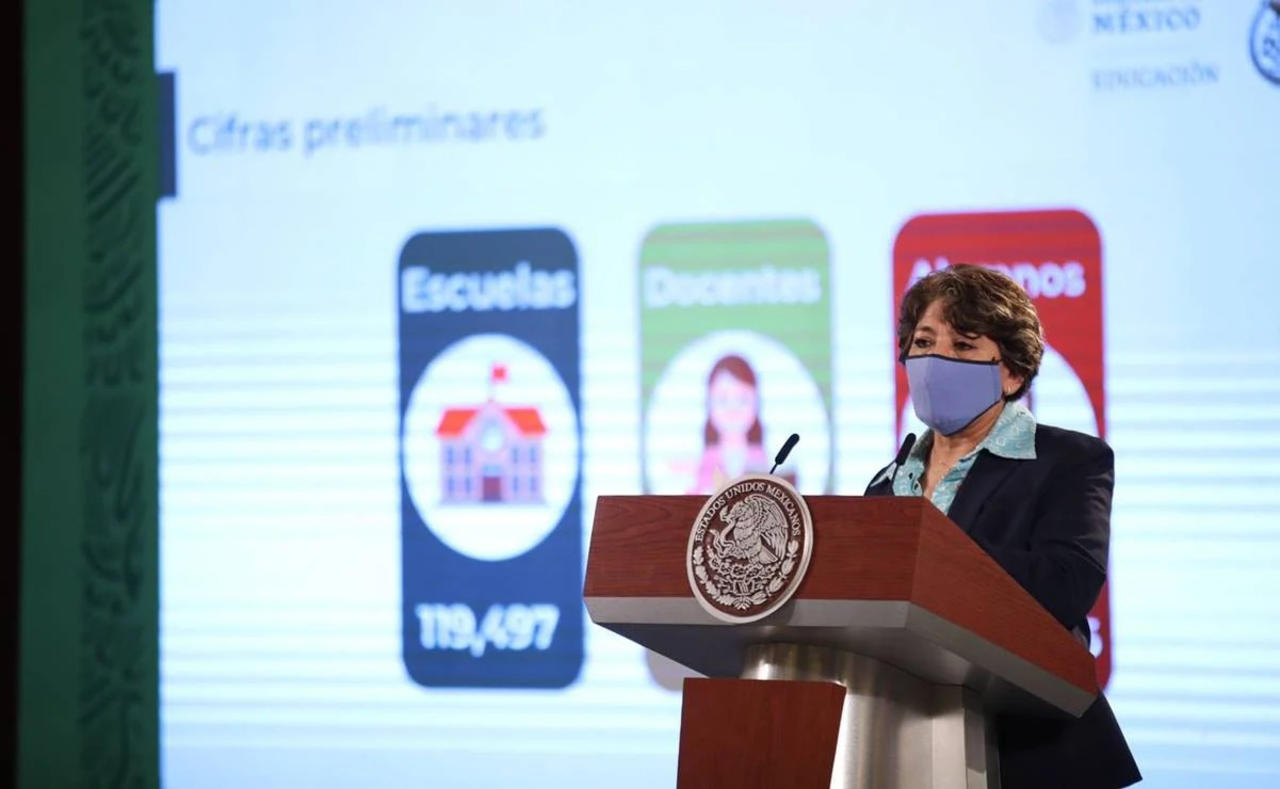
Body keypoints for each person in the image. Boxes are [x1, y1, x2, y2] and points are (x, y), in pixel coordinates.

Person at [865, 265, 1140, 788]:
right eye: (923, 342)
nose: (934, 361)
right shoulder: (887, 482)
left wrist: (931, 554)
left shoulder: (1068, 460)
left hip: (1034, 750)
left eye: (963, 346)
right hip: (906, 746)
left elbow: (1067, 582)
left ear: (1011, 372)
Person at [691, 354, 770, 494]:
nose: (733, 408)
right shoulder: (704, 461)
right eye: (723, 399)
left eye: (743, 399)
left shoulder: (765, 460)